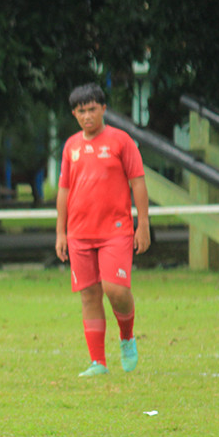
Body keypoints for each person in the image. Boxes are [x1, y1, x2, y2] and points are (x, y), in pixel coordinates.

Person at [55, 83, 151, 377]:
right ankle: (98, 362)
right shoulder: (71, 146)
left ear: (103, 109)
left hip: (116, 231)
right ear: (74, 113)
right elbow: (64, 190)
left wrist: (143, 223)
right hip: (79, 233)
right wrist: (61, 232)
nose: (87, 116)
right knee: (89, 295)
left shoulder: (122, 141)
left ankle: (126, 337)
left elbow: (138, 182)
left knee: (115, 289)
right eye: (81, 111)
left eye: (92, 109)